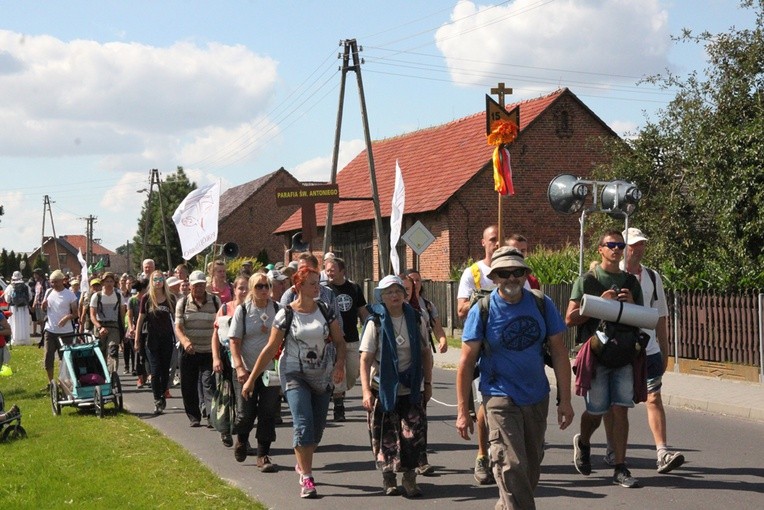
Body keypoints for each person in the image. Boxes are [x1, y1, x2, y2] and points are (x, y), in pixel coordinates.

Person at [456, 247, 574, 509]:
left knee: (530, 469)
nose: (511, 278)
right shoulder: (482, 310)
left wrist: (565, 400)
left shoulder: (542, 304)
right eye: (504, 273)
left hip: (536, 395)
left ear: (525, 275)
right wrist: (463, 411)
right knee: (510, 464)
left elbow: (558, 351)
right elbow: (465, 363)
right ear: (495, 277)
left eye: (517, 272)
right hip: (499, 395)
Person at [242, 266, 346, 499]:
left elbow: (340, 341)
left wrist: (339, 365)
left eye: (318, 282)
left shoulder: (325, 310)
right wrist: (251, 379)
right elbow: (270, 349)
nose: (317, 287)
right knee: (303, 424)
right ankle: (307, 478)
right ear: (298, 287)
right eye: (312, 283)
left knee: (316, 432)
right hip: (294, 374)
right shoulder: (285, 313)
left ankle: (303, 459)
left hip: (321, 374)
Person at [565, 229, 644, 488]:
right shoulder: (587, 280)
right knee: (596, 411)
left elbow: (643, 320)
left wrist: (632, 304)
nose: (616, 250)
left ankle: (621, 467)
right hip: (597, 354)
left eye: (620, 246)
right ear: (600, 249)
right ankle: (584, 441)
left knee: (621, 409)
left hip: (623, 354)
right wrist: (598, 303)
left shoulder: (631, 282)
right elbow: (570, 318)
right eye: (611, 245)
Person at [615, 227, 685, 473]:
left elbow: (661, 317)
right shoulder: (615, 276)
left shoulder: (653, 277)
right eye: (633, 244)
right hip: (621, 348)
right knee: (619, 404)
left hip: (649, 349)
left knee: (654, 398)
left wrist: (665, 351)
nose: (638, 249)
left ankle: (662, 452)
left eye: (641, 244)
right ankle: (614, 450)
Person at [359, 275, 433, 497]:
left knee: (413, 434)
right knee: (386, 435)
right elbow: (365, 359)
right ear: (381, 296)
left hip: (412, 386)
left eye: (398, 291)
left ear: (405, 294)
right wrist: (364, 391)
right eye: (388, 292)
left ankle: (409, 477)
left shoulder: (416, 319)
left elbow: (425, 353)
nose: (394, 295)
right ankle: (389, 477)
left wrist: (427, 383)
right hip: (382, 387)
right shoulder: (375, 322)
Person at [456, 224, 499, 485]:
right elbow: (460, 309)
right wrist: (482, 300)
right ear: (483, 243)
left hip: (508, 348)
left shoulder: (516, 272)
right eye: (493, 239)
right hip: (480, 347)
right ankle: (483, 455)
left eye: (500, 239)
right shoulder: (473, 273)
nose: (497, 243)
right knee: (484, 405)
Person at [228, 272, 281, 471]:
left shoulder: (277, 309)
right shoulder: (243, 310)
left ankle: (263, 455)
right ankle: (242, 439)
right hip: (246, 370)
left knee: (267, 412)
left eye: (266, 286)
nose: (264, 290)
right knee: (246, 413)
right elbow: (234, 341)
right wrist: (240, 367)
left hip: (270, 372)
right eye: (259, 286)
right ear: (251, 288)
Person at [323, 256, 368, 421]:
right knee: (338, 371)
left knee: (353, 373)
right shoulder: (325, 290)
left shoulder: (354, 289)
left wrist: (370, 327)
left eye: (332, 270)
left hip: (352, 338)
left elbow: (362, 311)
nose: (329, 274)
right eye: (327, 271)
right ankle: (339, 407)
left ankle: (337, 391)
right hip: (333, 340)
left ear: (342, 271)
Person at [175, 270, 219, 427]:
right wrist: (185, 342)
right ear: (190, 287)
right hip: (189, 351)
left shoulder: (215, 301)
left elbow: (219, 324)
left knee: (208, 383)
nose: (199, 288)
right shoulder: (182, 303)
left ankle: (211, 415)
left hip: (208, 350)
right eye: (196, 286)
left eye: (201, 285)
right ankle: (194, 416)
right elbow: (178, 327)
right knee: (188, 385)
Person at [212, 275, 248, 448]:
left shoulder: (253, 310)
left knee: (243, 401)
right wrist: (216, 358)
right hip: (226, 359)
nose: (244, 291)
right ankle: (225, 430)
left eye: (248, 287)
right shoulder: (225, 309)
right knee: (227, 397)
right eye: (241, 287)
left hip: (245, 361)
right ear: (234, 289)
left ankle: (243, 438)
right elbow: (215, 335)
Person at [135, 270, 176, 415]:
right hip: (151, 339)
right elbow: (140, 319)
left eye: (161, 279)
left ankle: (163, 392)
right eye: (155, 279)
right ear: (151, 282)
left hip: (167, 338)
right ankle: (157, 399)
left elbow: (177, 319)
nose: (158, 281)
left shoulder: (170, 298)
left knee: (165, 371)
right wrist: (137, 339)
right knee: (155, 370)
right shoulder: (146, 298)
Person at [41, 270, 79, 384]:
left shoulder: (70, 294)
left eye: (56, 282)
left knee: (66, 358)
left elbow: (75, 313)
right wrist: (43, 306)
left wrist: (66, 318)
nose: (54, 285)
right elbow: (45, 309)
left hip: (66, 332)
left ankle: (65, 382)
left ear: (62, 281)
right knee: (48, 357)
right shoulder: (48, 292)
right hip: (50, 330)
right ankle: (51, 382)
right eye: (52, 282)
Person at [405, 269, 448, 354]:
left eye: (417, 280)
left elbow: (437, 328)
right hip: (406, 351)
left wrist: (443, 340)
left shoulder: (428, 305)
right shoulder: (401, 304)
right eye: (411, 280)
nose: (415, 283)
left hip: (425, 351)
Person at [90, 272, 125, 373]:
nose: (109, 284)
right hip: (100, 326)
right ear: (102, 283)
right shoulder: (96, 296)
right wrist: (99, 327)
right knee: (101, 352)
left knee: (113, 350)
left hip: (114, 327)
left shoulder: (119, 296)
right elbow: (92, 315)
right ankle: (101, 374)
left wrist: (123, 331)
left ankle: (112, 375)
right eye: (107, 281)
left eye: (111, 281)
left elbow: (122, 315)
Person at [7, 271, 32, 345]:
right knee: (24, 323)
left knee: (14, 323)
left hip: (14, 308)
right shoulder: (26, 286)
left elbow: (7, 299)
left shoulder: (10, 286)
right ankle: (25, 340)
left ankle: (15, 340)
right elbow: (30, 297)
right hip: (24, 308)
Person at [31, 268, 49, 338]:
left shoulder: (46, 282)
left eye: (36, 274)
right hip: (37, 305)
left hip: (43, 305)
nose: (34, 276)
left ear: (40, 275)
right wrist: (33, 305)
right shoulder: (37, 283)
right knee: (40, 321)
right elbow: (36, 295)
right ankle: (43, 336)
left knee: (44, 320)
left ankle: (45, 336)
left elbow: (48, 293)